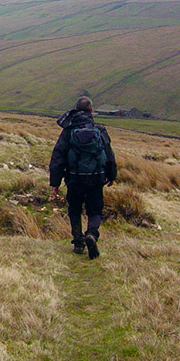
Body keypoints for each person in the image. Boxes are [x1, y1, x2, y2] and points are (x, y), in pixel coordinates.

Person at [49, 96, 117, 259]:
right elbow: (109, 155)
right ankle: (92, 234)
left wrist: (55, 183)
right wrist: (112, 175)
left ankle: (78, 243)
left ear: (76, 110)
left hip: (74, 178)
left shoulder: (68, 131)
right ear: (91, 111)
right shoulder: (99, 130)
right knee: (95, 210)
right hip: (96, 178)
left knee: (74, 209)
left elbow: (58, 157)